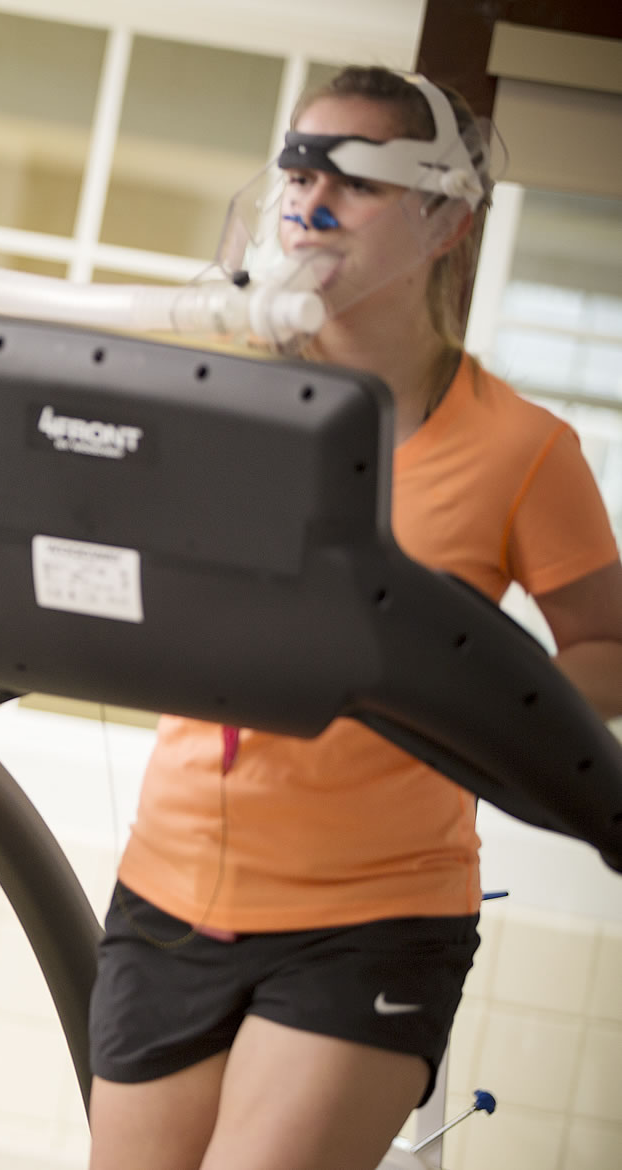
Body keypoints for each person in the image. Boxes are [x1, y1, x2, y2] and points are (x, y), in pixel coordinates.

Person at [88, 67, 622, 1170]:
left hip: (369, 916)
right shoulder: (211, 388)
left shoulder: (522, 452)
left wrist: (463, 700)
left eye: (355, 175)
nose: (308, 196)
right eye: (296, 164)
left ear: (445, 221)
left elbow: (609, 652)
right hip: (166, 888)